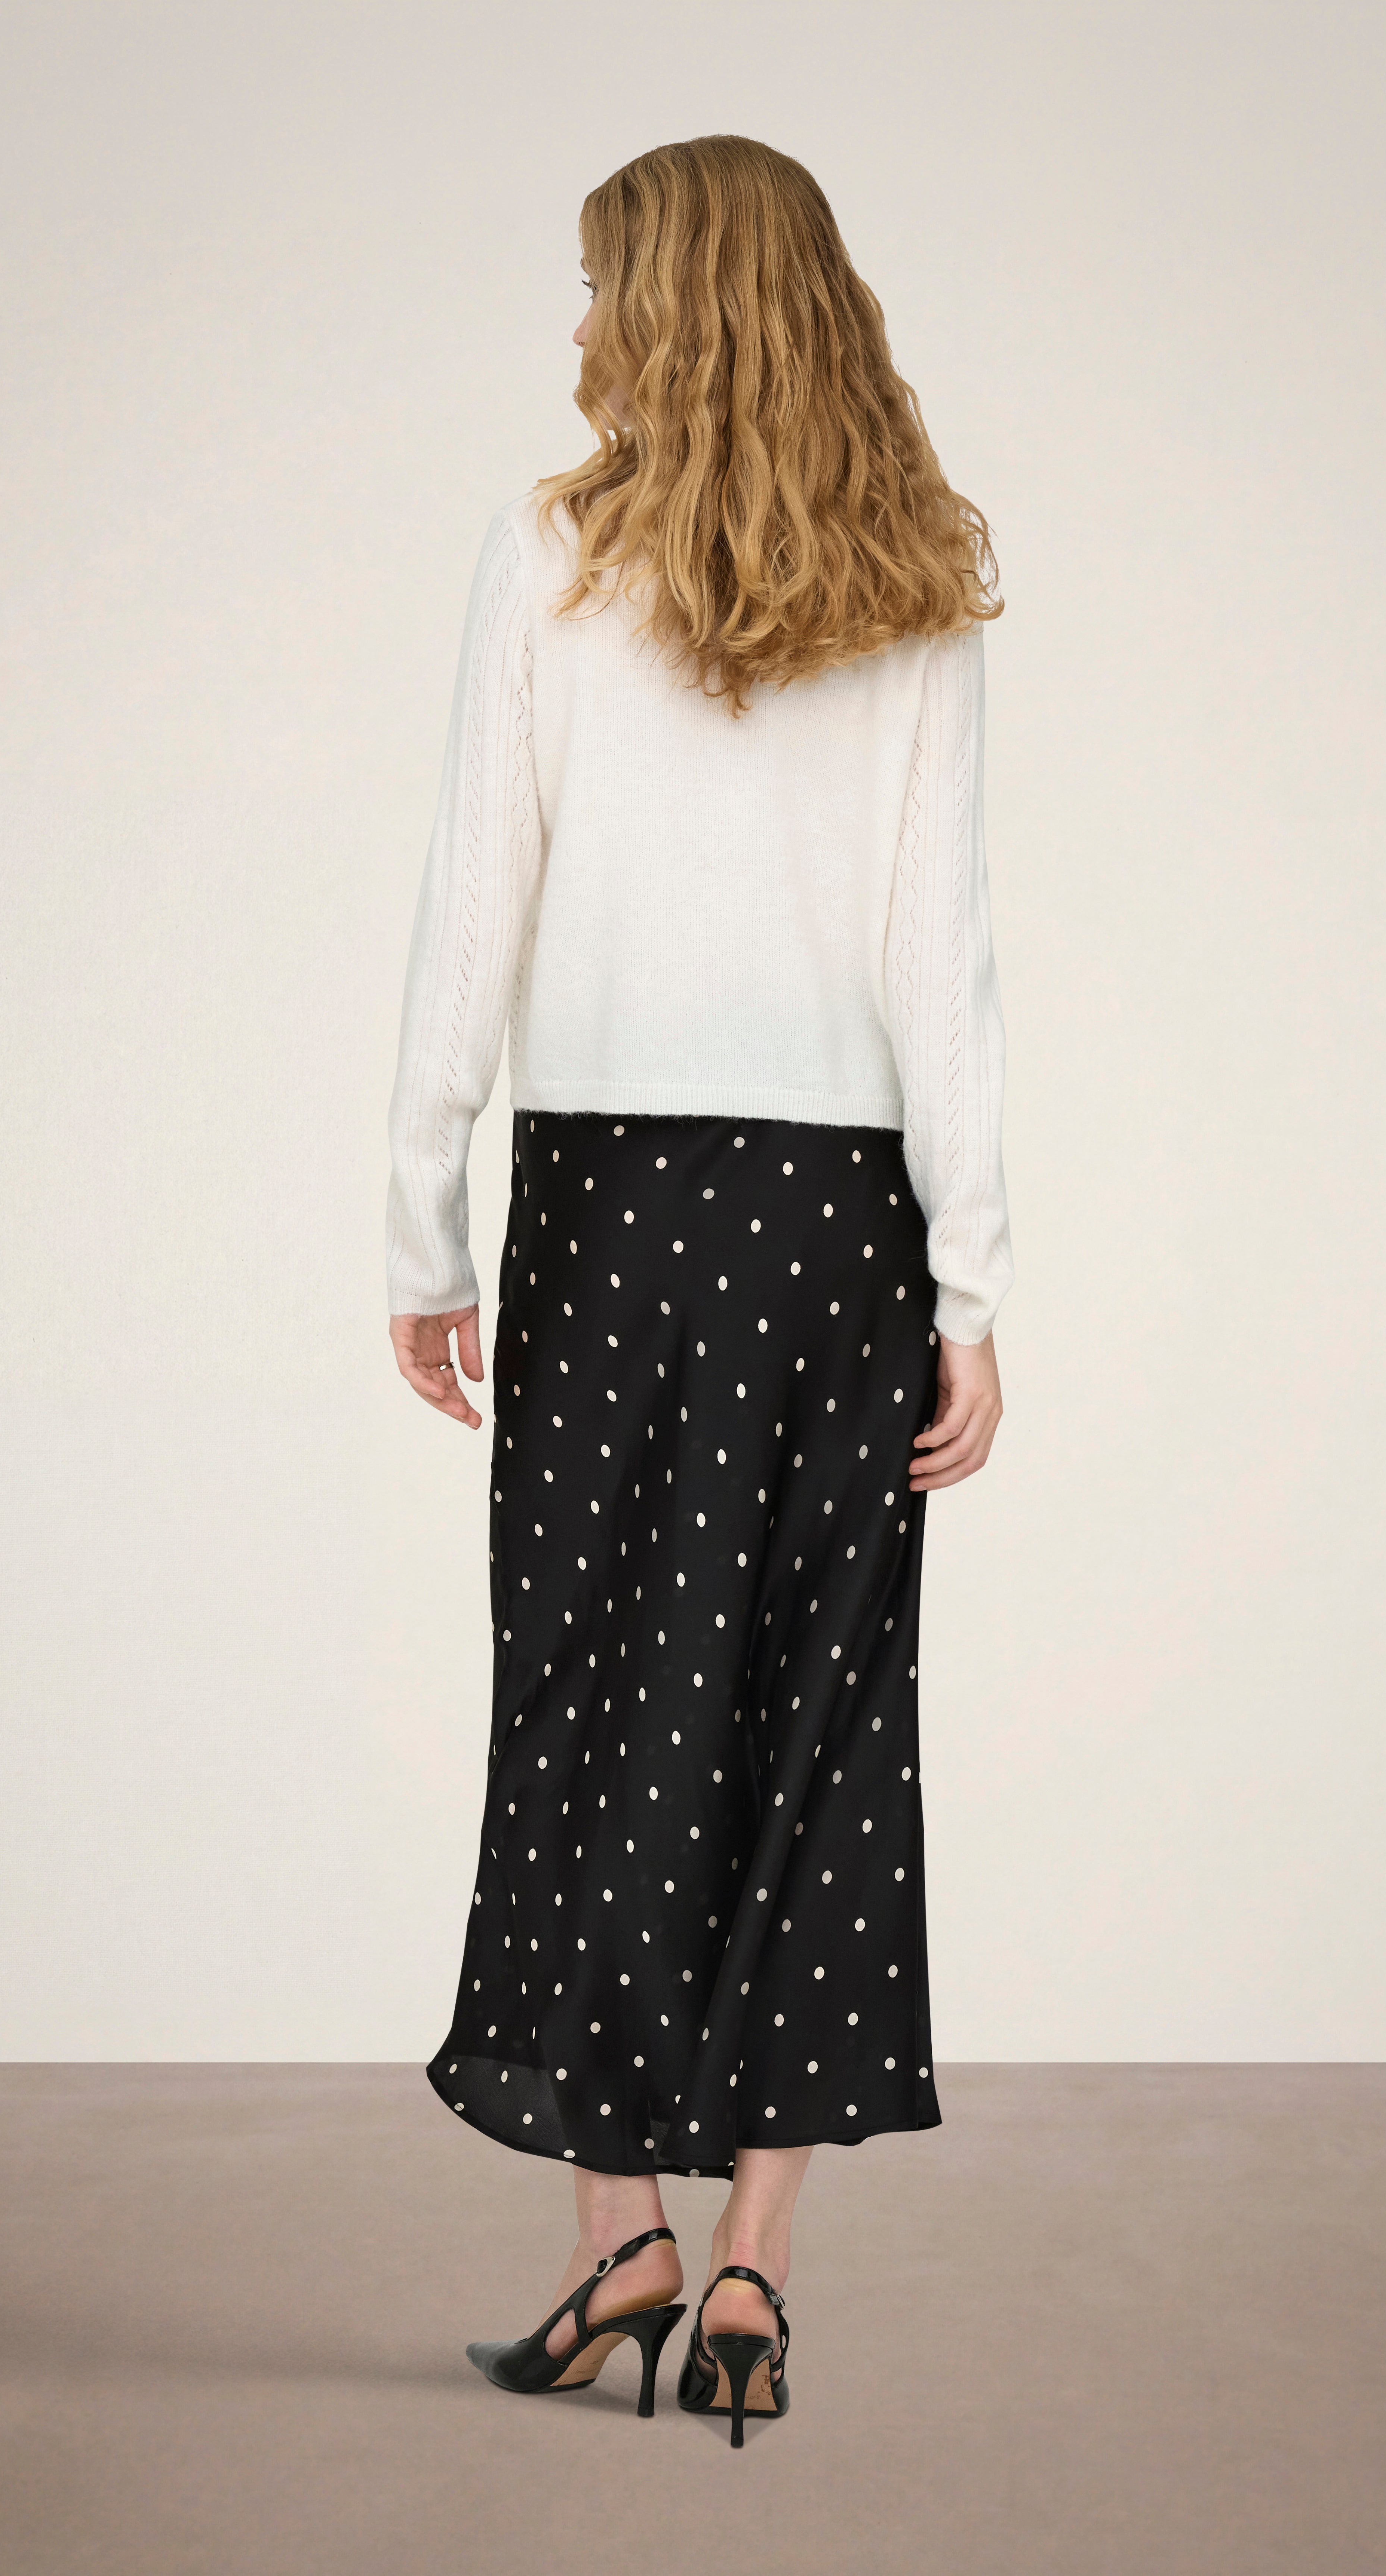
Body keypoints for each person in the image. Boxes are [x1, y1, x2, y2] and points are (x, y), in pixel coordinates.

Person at [385, 133, 1011, 2446]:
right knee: (815, 1719)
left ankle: (616, 2245)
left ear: (669, 305)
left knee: (593, 1709)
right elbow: (943, 964)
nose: (577, 330)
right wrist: (971, 1282)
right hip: (838, 1227)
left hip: (619, 1210)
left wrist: (421, 1219)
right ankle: (753, 2274)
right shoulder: (913, 573)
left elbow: (476, 904)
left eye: (597, 286)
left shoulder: (550, 555)